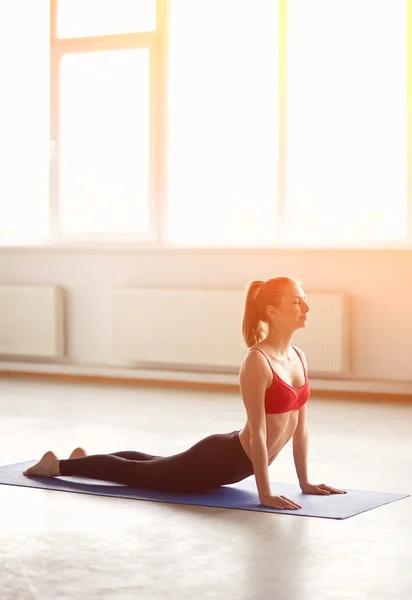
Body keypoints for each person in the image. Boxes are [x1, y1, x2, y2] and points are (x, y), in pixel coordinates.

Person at [24, 276, 346, 510]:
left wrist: (305, 483)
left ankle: (86, 461)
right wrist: (265, 493)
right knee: (140, 473)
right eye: (296, 300)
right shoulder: (257, 361)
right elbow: (259, 434)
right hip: (220, 460)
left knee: (157, 464)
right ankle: (56, 466)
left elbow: (300, 430)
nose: (306, 306)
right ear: (273, 312)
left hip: (232, 461)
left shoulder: (298, 357)